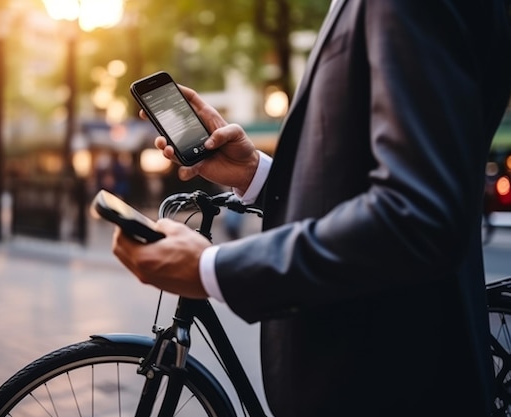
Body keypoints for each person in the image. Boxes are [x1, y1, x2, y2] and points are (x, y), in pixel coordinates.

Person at [112, 1, 511, 416]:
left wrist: (211, 269)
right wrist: (255, 175)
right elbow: (363, 180)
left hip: (386, 386)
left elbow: (417, 216)